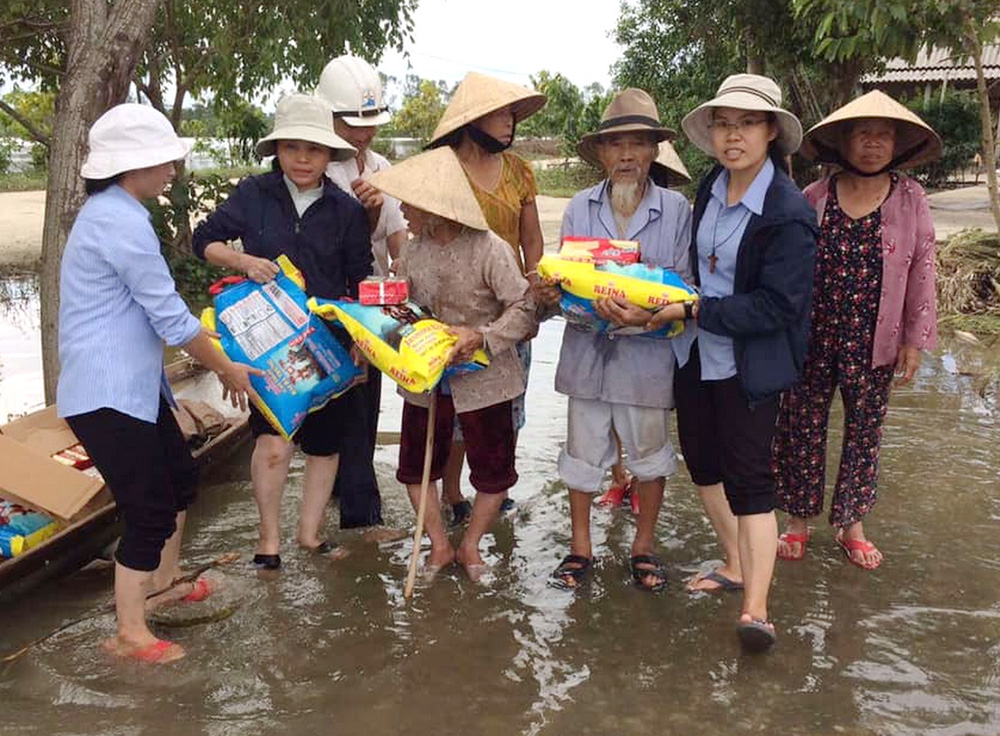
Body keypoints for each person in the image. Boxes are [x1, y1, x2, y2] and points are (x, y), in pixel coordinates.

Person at [58, 103, 257, 664]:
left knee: (178, 478)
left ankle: (164, 582)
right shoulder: (118, 222)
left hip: (135, 389)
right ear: (133, 166)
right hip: (106, 394)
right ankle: (129, 631)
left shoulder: (117, 213)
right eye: (164, 160)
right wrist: (226, 367)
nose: (172, 169)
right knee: (147, 509)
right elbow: (169, 318)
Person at [658, 74, 817, 650]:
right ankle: (734, 560)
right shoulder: (710, 185)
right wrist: (662, 299)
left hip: (749, 363)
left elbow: (780, 305)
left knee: (751, 480)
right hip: (695, 351)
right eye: (724, 124)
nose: (733, 136)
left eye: (747, 123)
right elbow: (701, 270)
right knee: (702, 463)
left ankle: (757, 609)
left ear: (771, 131)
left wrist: (698, 307)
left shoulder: (787, 212)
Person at [192, 94, 371, 569]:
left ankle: (309, 534)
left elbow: (361, 279)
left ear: (330, 154)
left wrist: (358, 340)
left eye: (314, 149)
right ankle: (267, 540)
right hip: (268, 347)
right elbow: (202, 240)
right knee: (272, 444)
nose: (303, 158)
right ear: (277, 151)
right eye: (292, 148)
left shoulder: (346, 210)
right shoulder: (254, 195)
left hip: (329, 345)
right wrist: (243, 261)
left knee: (324, 445)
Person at [772, 90, 940, 570]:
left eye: (883, 134)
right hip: (814, 334)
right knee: (800, 425)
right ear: (842, 142)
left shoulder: (911, 198)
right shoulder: (814, 196)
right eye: (862, 133)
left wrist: (914, 338)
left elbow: (923, 269)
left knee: (865, 429)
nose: (872, 143)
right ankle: (799, 520)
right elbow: (790, 266)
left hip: (876, 336)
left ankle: (852, 525)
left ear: (897, 144)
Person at [535, 89, 692, 593]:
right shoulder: (580, 207)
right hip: (587, 352)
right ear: (601, 154)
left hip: (647, 357)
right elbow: (565, 279)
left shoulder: (676, 210)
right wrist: (554, 291)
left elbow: (687, 287)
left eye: (638, 144)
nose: (626, 155)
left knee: (650, 456)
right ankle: (581, 548)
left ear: (653, 152)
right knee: (581, 456)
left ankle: (642, 547)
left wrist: (644, 311)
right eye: (616, 145)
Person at [367, 146, 538, 581]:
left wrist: (481, 336)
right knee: (414, 466)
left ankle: (471, 545)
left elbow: (525, 309)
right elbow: (401, 306)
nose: (402, 209)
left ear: (438, 208)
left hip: (486, 379)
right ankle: (440, 545)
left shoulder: (489, 249)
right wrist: (377, 319)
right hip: (426, 380)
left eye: (411, 202)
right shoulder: (412, 251)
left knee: (494, 472)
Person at [425, 72, 547, 524]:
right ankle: (454, 492)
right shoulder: (443, 169)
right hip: (456, 307)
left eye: (511, 115)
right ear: (473, 121)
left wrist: (533, 284)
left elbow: (531, 240)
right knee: (456, 406)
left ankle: (495, 486)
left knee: (507, 403)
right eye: (499, 115)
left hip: (510, 305)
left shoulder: (519, 171)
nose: (509, 123)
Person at [315, 55, 408, 540]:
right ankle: (359, 513)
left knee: (363, 405)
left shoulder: (382, 168)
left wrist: (407, 282)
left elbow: (396, 238)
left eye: (368, 125)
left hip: (370, 303)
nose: (362, 135)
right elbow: (337, 244)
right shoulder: (315, 171)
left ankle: (353, 502)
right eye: (352, 125)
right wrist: (361, 216)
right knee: (339, 408)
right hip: (328, 302)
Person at [597, 139, 693, 512]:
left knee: (647, 424)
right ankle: (619, 478)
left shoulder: (673, 211)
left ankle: (636, 481)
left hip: (654, 342)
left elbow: (683, 286)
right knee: (611, 419)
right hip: (604, 339)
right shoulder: (601, 205)